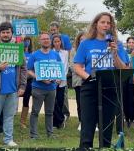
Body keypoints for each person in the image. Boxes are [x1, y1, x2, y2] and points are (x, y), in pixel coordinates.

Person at [73, 12, 129, 149]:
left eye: (108, 23)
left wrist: (115, 54)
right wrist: (89, 77)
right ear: (96, 24)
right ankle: (85, 147)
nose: (105, 25)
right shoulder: (86, 43)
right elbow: (77, 66)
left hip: (110, 87)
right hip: (90, 86)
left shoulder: (117, 44)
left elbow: (123, 68)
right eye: (102, 22)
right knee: (88, 122)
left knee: (107, 122)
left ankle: (104, 147)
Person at [0, 22, 27, 148]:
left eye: (8, 32)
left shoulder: (18, 49)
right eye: (3, 32)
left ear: (12, 33)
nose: (6, 35)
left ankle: (8, 139)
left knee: (9, 116)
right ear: (0, 34)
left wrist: (22, 86)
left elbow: (23, 68)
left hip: (13, 89)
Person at [27, 32, 62, 139]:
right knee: (35, 112)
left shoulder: (55, 54)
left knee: (50, 112)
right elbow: (29, 70)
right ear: (39, 41)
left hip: (52, 88)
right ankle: (33, 134)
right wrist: (39, 77)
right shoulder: (35, 55)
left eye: (47, 38)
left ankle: (50, 134)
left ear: (50, 40)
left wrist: (59, 78)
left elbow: (60, 69)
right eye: (43, 39)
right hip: (38, 88)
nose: (46, 40)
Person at [49, 21, 72, 119]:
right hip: (52, 79)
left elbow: (66, 64)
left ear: (58, 29)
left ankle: (65, 114)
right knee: (53, 100)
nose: (53, 31)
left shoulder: (65, 40)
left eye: (54, 30)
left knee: (62, 98)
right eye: (51, 30)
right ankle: (57, 118)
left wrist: (62, 77)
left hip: (62, 79)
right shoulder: (50, 51)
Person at [52, 34, 69, 129]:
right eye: (55, 42)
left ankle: (60, 121)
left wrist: (61, 77)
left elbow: (65, 67)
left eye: (58, 41)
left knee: (60, 101)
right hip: (52, 81)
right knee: (53, 102)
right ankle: (58, 120)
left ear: (61, 42)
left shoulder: (65, 53)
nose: (57, 43)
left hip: (62, 81)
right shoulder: (51, 52)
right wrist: (55, 78)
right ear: (53, 43)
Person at [70, 32, 85, 131]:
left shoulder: (90, 50)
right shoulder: (74, 51)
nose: (83, 41)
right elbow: (72, 66)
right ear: (78, 40)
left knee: (92, 103)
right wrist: (81, 70)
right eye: (81, 39)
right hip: (78, 81)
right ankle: (81, 122)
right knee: (80, 103)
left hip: (90, 80)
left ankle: (94, 123)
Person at [20, 36, 33, 128]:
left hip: (29, 80)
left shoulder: (32, 54)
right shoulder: (18, 52)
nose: (26, 42)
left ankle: (23, 121)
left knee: (26, 99)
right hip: (18, 79)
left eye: (28, 40)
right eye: (25, 40)